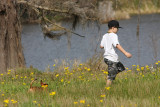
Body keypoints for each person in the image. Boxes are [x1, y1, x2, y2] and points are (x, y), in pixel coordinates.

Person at [100, 20, 132, 86]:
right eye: (117, 28)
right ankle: (106, 90)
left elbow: (101, 46)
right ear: (113, 28)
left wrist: (107, 44)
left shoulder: (105, 35)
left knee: (121, 68)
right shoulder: (114, 35)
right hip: (111, 58)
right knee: (111, 76)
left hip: (106, 58)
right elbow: (117, 45)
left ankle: (111, 74)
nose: (118, 30)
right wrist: (125, 53)